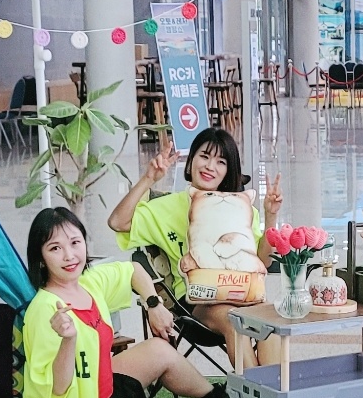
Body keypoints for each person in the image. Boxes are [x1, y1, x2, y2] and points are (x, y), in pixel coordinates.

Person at [11, 207, 229, 398]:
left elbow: (134, 270)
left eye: (75, 242)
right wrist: (68, 340)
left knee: (159, 350)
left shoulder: (89, 284)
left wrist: (154, 304)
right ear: (41, 259)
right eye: (55, 248)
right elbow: (58, 387)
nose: (69, 255)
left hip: (102, 391)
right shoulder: (43, 311)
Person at [107, 128, 283, 368]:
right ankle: (256, 391)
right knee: (236, 322)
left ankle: (273, 391)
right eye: (204, 156)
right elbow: (117, 222)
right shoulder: (168, 206)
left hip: (243, 292)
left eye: (221, 162)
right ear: (191, 161)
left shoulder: (241, 208)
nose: (210, 166)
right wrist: (149, 178)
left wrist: (270, 217)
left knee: (270, 320)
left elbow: (263, 261)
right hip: (196, 302)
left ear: (228, 170)